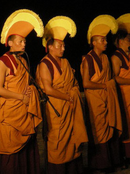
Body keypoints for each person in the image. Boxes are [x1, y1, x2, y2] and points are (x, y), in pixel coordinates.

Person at [0, 9, 43, 174]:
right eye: (20, 41)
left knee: (27, 150)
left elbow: (27, 83)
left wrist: (31, 90)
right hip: (10, 114)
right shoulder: (2, 62)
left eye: (25, 42)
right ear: (10, 42)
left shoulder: (23, 61)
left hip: (24, 112)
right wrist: (21, 97)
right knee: (10, 151)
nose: (24, 44)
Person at [36, 16, 88, 174]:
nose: (63, 49)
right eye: (59, 45)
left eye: (64, 45)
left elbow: (74, 83)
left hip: (70, 108)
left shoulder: (65, 63)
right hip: (56, 110)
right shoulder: (44, 64)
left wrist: (72, 93)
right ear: (50, 47)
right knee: (57, 143)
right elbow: (48, 89)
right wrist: (68, 97)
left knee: (72, 142)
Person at [80, 14, 123, 173]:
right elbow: (85, 83)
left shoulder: (105, 58)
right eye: (102, 40)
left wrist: (107, 86)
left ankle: (111, 162)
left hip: (106, 98)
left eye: (105, 39)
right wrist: (105, 85)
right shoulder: (88, 60)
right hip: (95, 101)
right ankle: (98, 165)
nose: (105, 42)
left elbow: (110, 78)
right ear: (93, 43)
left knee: (109, 129)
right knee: (98, 132)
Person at [111, 13, 130, 167]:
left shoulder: (129, 55)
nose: (129, 41)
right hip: (124, 95)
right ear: (119, 41)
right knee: (126, 125)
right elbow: (115, 78)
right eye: (127, 39)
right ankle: (126, 157)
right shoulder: (116, 57)